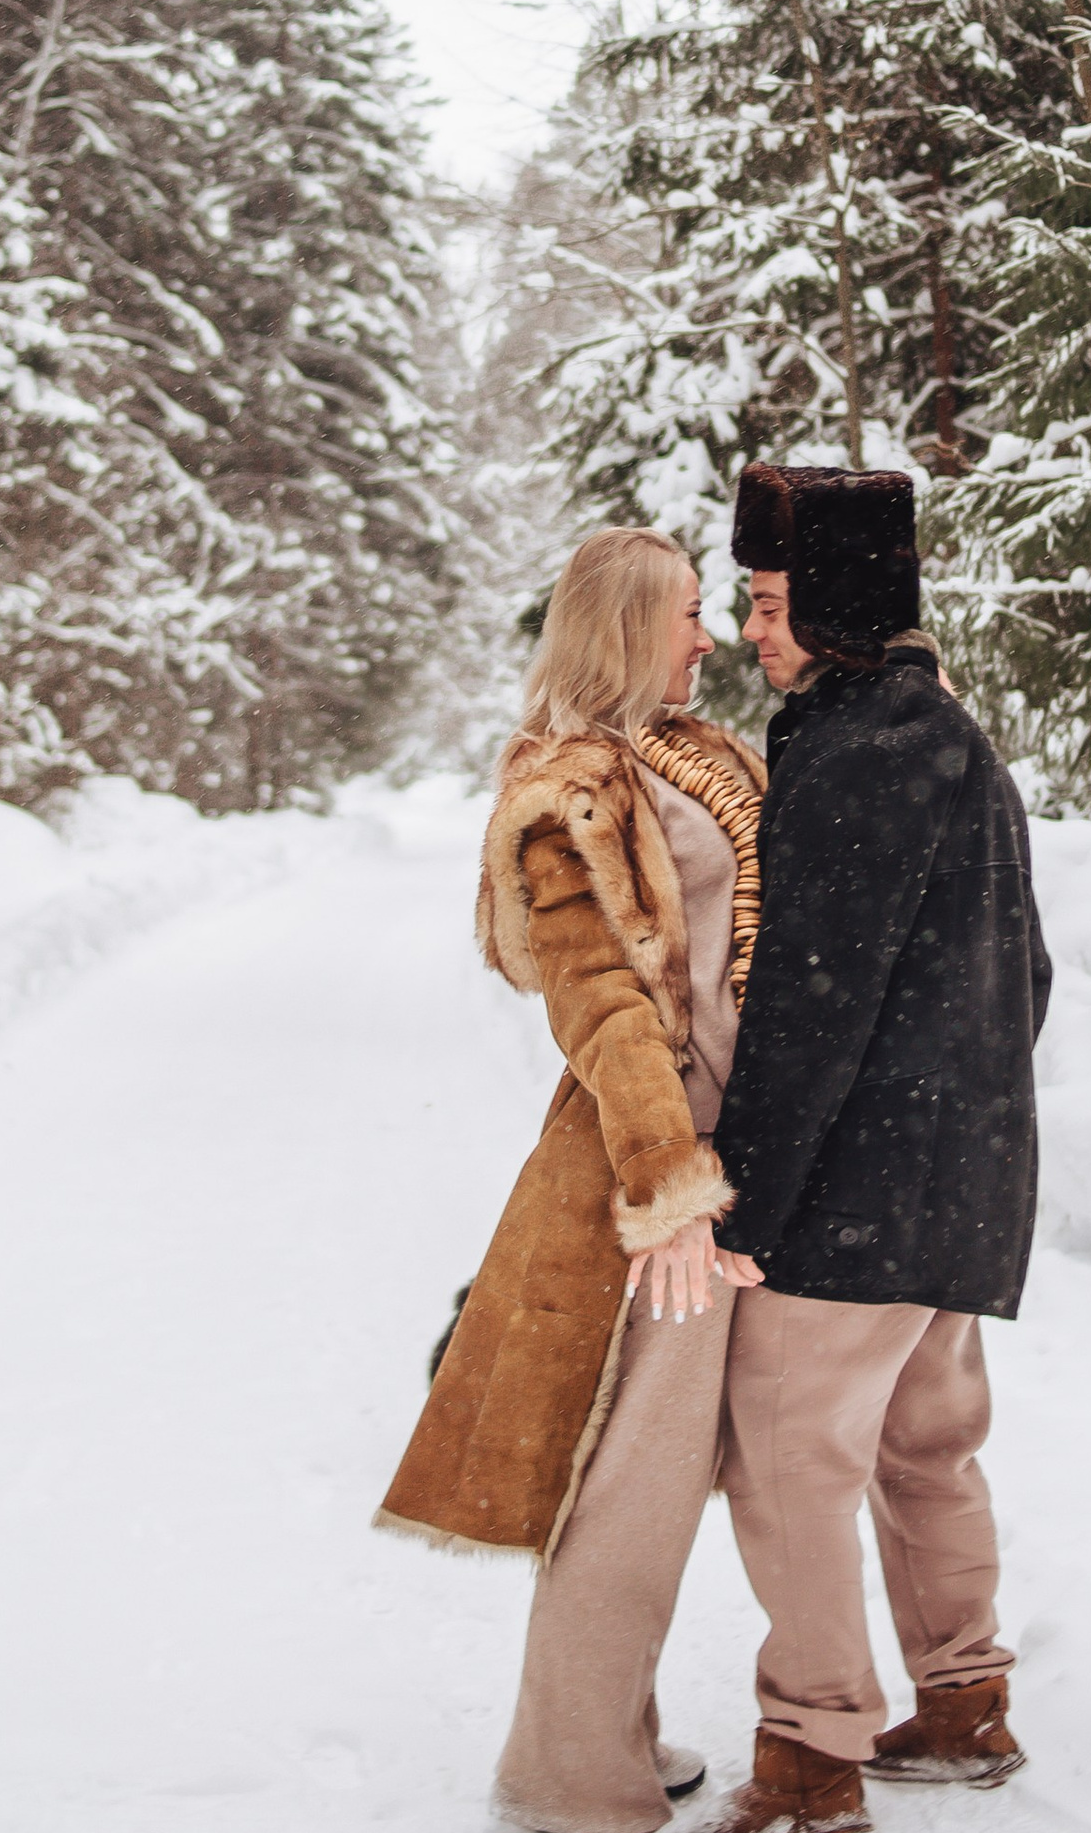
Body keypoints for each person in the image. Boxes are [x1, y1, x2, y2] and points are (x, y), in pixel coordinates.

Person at [376, 526, 770, 1833]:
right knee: (636, 1478)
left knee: (673, 1466)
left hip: (728, 1143)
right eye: (688, 615)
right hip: (658, 1161)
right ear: (623, 627)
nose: (706, 639)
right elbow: (599, 999)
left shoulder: (680, 753)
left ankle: (609, 1732)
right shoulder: (566, 788)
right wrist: (671, 1185)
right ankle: (567, 1772)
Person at [701, 464, 1053, 1833]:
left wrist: (742, 1205)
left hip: (855, 1204)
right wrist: (964, 1120)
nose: (751, 633)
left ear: (840, 604)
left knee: (790, 1462)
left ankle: (810, 1760)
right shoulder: (956, 739)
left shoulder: (853, 758)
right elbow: (1027, 974)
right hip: (958, 1190)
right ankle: (962, 1702)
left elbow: (806, 1016)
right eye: (743, 602)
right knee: (927, 1449)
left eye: (772, 603)